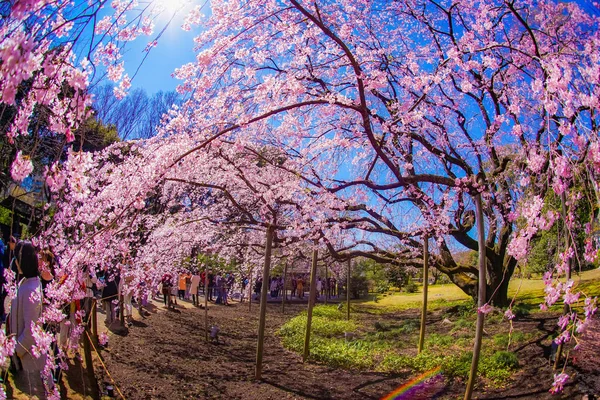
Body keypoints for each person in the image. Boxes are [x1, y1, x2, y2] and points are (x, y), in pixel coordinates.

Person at [9, 241, 48, 398]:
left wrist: (17, 351)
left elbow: (31, 331)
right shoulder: (27, 282)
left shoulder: (32, 290)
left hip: (28, 359)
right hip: (24, 353)